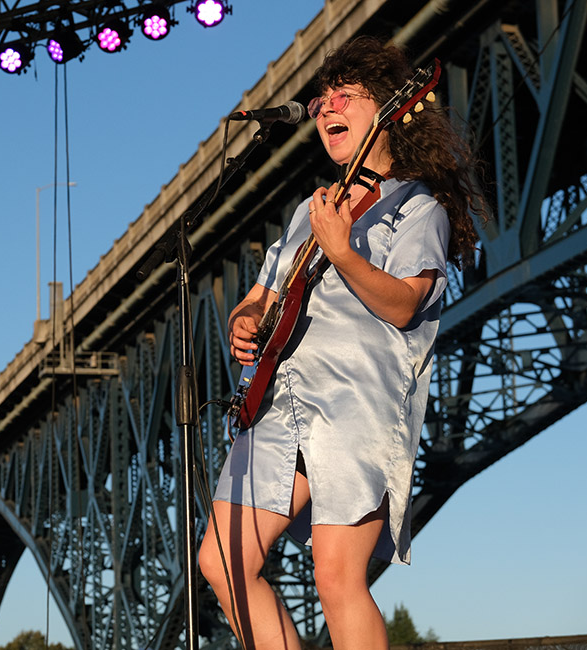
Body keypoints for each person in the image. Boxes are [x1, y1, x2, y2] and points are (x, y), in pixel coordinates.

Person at [198, 37, 488, 650]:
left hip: (357, 407)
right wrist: (245, 320)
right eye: (321, 98)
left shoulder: (418, 207)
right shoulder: (313, 207)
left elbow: (405, 302)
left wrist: (342, 251)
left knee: (335, 575)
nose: (325, 105)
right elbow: (263, 292)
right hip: (280, 403)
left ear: (388, 110)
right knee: (222, 563)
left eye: (344, 95)